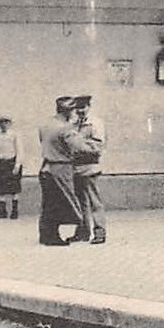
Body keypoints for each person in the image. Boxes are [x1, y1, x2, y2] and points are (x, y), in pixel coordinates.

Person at [37, 95, 91, 246]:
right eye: (73, 110)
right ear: (68, 111)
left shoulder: (46, 125)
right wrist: (94, 147)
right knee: (61, 202)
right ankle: (53, 237)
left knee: (48, 203)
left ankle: (46, 235)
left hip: (46, 166)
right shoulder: (66, 128)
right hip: (61, 167)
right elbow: (79, 147)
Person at [71, 95, 107, 244]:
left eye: (83, 108)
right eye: (77, 109)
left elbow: (97, 146)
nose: (80, 111)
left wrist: (79, 144)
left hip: (90, 166)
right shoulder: (73, 124)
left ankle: (100, 231)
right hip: (76, 167)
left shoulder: (96, 123)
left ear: (88, 107)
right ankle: (83, 232)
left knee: (94, 201)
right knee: (80, 202)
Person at [0, 116, 23, 219]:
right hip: (2, 162)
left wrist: (17, 165)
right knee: (0, 187)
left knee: (14, 187)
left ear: (9, 123)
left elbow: (19, 150)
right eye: (1, 122)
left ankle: (14, 211)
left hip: (12, 162)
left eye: (5, 122)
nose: (3, 125)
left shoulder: (14, 135)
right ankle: (2, 211)